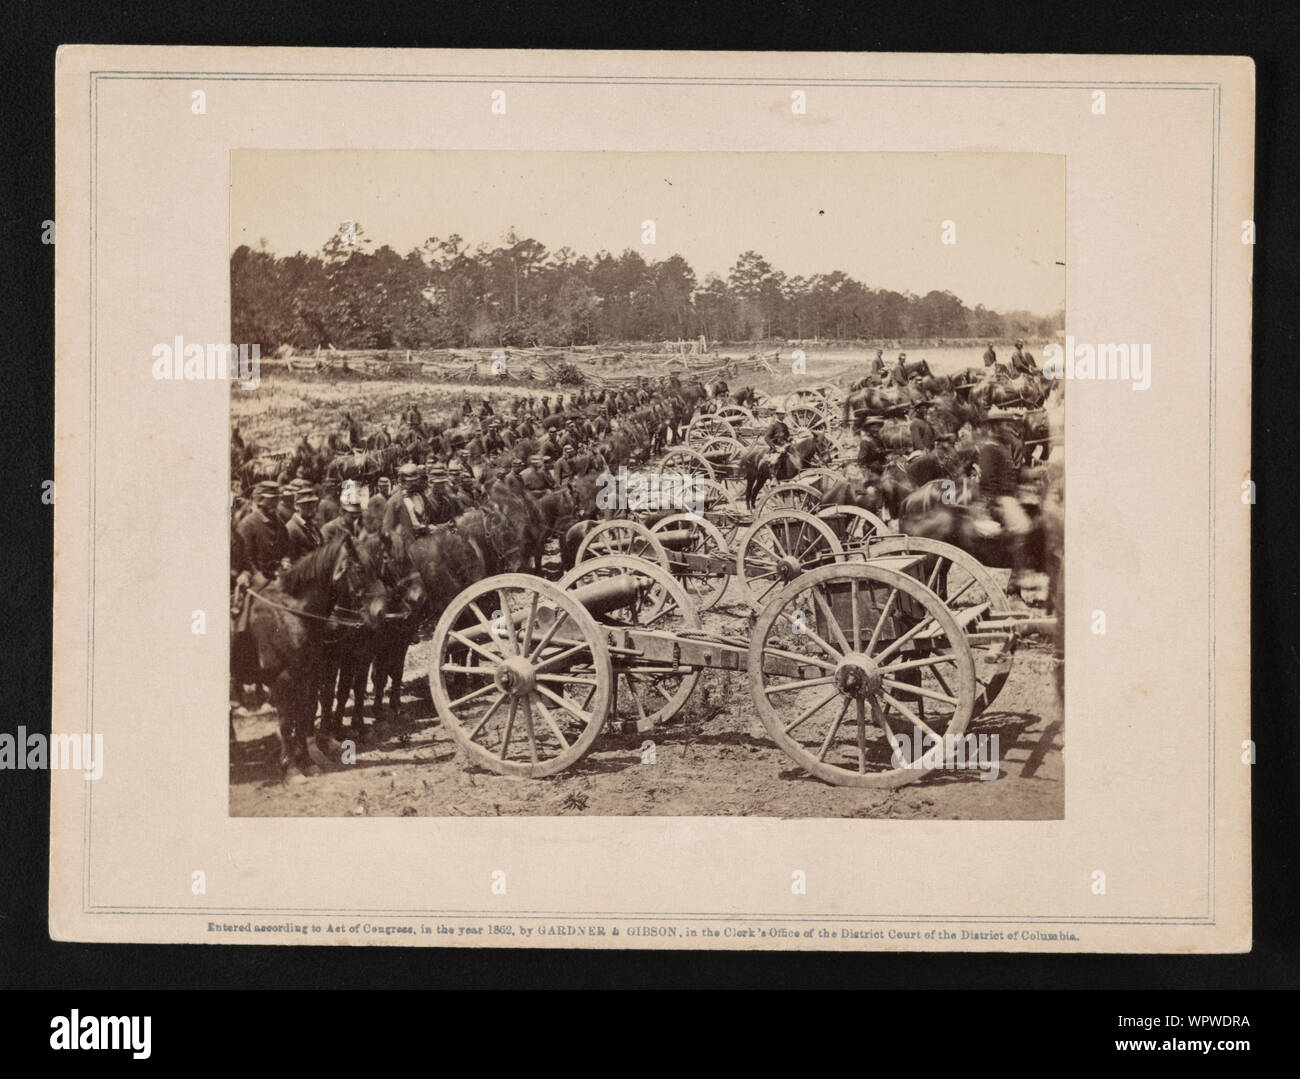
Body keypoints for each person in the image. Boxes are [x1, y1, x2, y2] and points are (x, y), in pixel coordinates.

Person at [236, 481, 290, 580]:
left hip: (278, 577)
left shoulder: (279, 522)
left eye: (277, 499)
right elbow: (246, 559)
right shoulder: (248, 524)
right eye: (272, 499)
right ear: (260, 500)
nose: (276, 503)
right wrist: (259, 578)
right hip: (256, 579)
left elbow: (286, 549)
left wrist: (285, 562)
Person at [284, 487, 323, 559]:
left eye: (313, 503)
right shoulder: (291, 528)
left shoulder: (313, 525)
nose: (310, 507)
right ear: (296, 506)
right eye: (305, 504)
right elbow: (291, 559)